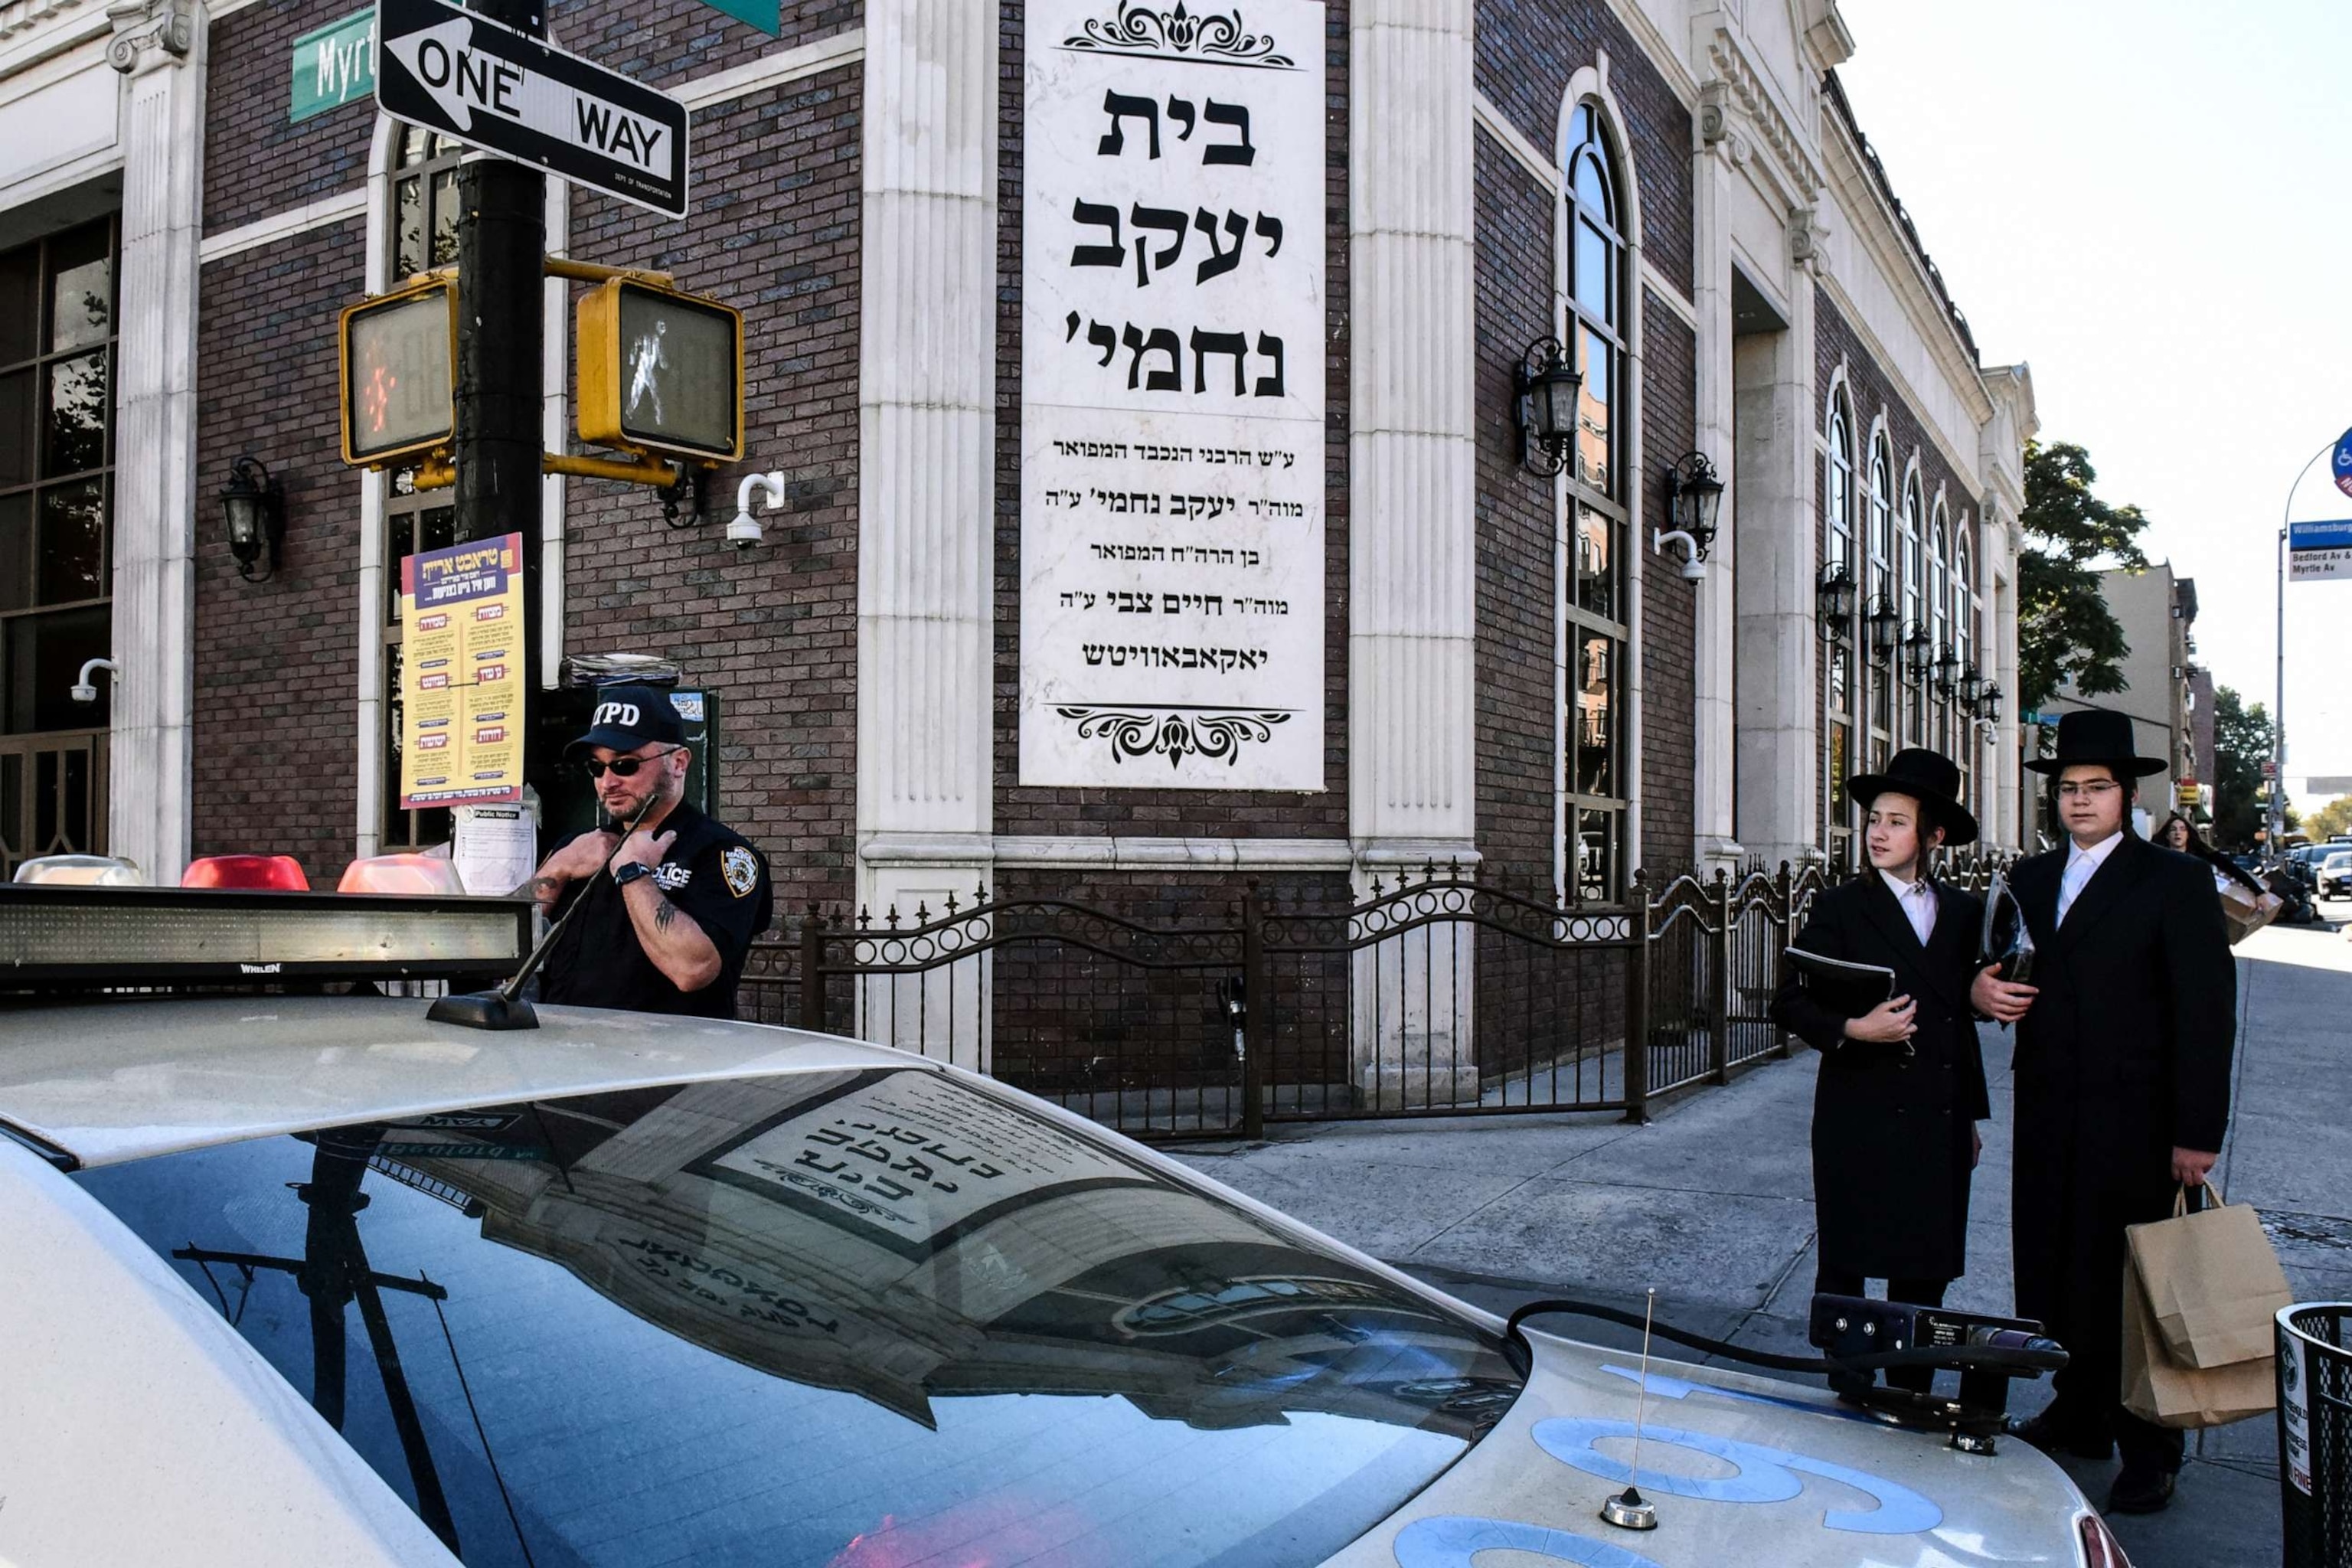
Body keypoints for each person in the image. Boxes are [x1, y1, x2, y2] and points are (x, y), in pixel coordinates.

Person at [1984, 708, 2236, 1515]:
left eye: (2096, 788)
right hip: (2051, 1107)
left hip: (2141, 1118)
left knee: (2134, 1281)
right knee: (2057, 1264)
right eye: (2068, 788)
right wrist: (1981, 990)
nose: (2080, 801)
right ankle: (2080, 1407)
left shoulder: (2174, 879)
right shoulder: (2027, 877)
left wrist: (2198, 1131)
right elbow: (1992, 968)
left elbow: (2206, 1011)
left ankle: (2150, 1443)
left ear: (2127, 795)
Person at [1771, 749, 2002, 1393]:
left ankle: (1910, 1387)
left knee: (1924, 1263)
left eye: (1897, 822)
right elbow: (1789, 998)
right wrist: (1852, 1029)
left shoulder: (1962, 913)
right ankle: (1847, 1383)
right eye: (1874, 818)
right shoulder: (1842, 906)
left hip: (1938, 1111)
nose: (1878, 832)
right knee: (1847, 1257)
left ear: (1933, 836)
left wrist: (1972, 1118)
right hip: (1858, 1107)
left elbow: (1959, 1022)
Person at [525, 685, 773, 1018]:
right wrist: (556, 868)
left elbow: (692, 970)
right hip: (572, 1054)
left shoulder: (721, 853)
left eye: (625, 765)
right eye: (597, 768)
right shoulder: (578, 847)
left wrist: (633, 872)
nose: (608, 782)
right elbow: (496, 943)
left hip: (666, 1061)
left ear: (679, 763)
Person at [2156, 812, 2264, 897]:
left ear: (2188, 835)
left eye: (2182, 829)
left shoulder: (2202, 854)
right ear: (2167, 836)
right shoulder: (2159, 858)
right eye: (2173, 830)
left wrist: (2259, 892)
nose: (2178, 833)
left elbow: (2233, 869)